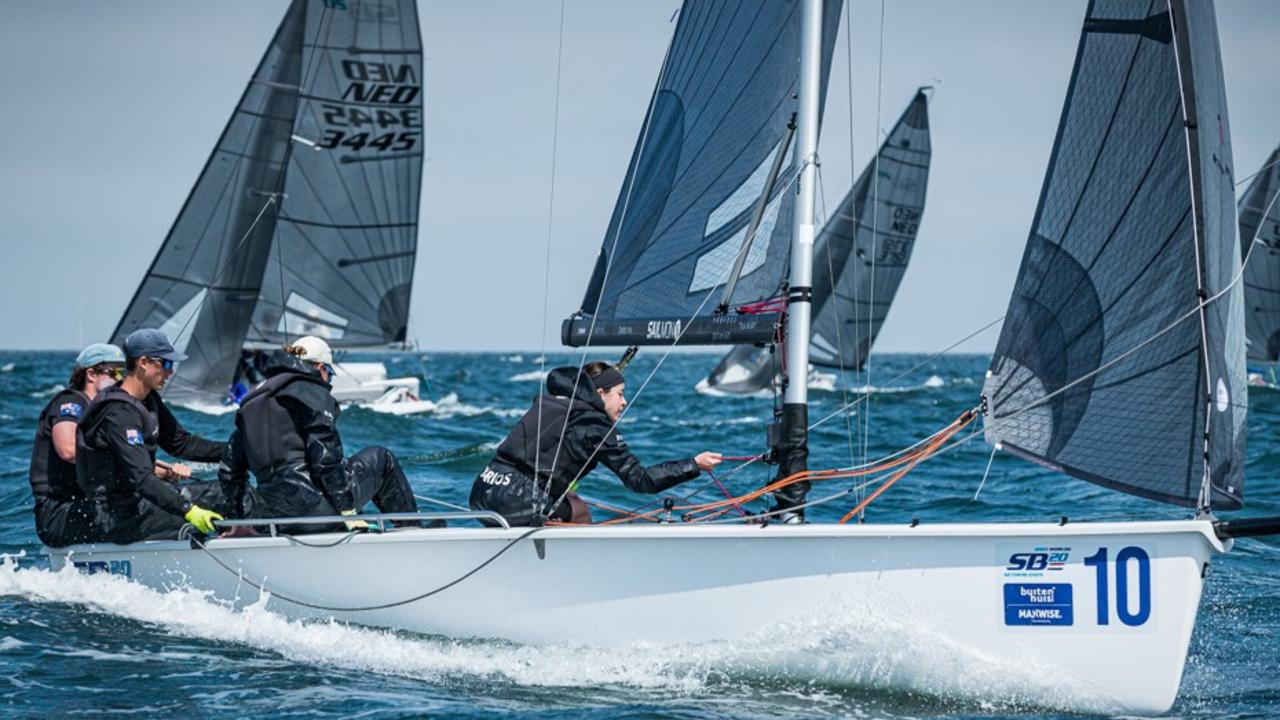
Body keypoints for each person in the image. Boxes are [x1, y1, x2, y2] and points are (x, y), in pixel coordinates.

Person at [470, 361, 722, 526]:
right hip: (517, 502)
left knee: (568, 498)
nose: (624, 402)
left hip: (483, 492)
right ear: (600, 394)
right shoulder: (595, 425)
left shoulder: (554, 407)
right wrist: (694, 465)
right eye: (620, 393)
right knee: (579, 510)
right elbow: (640, 480)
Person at [218, 336, 418, 532]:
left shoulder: (253, 399)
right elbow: (325, 461)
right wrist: (347, 511)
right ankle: (414, 531)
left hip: (272, 518)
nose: (329, 381)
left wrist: (238, 522)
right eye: (330, 373)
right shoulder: (312, 390)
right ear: (321, 367)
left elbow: (229, 470)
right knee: (382, 458)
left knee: (342, 473)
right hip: (316, 512)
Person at [76, 329, 232, 543]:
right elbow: (141, 478)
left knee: (230, 489)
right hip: (113, 516)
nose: (170, 372)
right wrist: (189, 510)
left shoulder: (149, 400)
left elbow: (181, 444)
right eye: (166, 364)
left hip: (137, 503)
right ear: (143, 363)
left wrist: (237, 450)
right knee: (223, 495)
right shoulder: (117, 411)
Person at [28, 344, 129, 547]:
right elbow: (68, 450)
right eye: (115, 372)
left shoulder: (102, 413)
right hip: (59, 514)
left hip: (87, 505)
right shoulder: (71, 402)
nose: (121, 379)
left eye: (124, 373)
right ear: (91, 374)